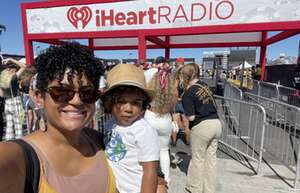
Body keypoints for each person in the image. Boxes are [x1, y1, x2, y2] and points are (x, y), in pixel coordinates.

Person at [0, 42, 117, 193]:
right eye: (61, 91)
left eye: (87, 92)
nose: (77, 100)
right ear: (38, 97)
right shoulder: (20, 156)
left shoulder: (105, 142)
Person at [101, 63, 160, 193]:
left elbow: (150, 171)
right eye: (121, 101)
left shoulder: (144, 130)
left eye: (135, 103)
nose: (128, 109)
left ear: (143, 105)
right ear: (110, 102)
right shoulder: (109, 124)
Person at [178, 63, 222, 193]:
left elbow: (191, 118)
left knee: (197, 159)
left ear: (185, 76)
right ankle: (209, 189)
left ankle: (194, 188)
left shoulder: (188, 93)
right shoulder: (205, 86)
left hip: (202, 126)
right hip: (216, 123)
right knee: (211, 160)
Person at [144, 61, 177, 185]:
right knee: (164, 151)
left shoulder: (150, 89)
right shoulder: (171, 90)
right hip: (165, 119)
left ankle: (151, 177)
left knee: (149, 150)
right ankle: (166, 179)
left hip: (151, 117)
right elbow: (173, 105)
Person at [0, 57, 27, 140]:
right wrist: (11, 59)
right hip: (16, 101)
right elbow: (24, 67)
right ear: (13, 68)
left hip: (7, 103)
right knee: (18, 127)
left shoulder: (1, 77)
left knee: (9, 127)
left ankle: (9, 147)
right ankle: (19, 148)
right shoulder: (14, 77)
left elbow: (1, 94)